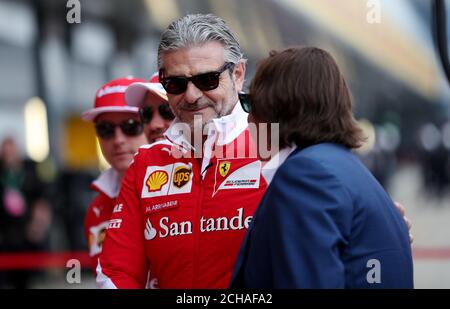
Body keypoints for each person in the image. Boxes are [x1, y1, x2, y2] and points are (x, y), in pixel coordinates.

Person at [97, 14, 412, 289]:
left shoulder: (280, 145)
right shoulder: (147, 163)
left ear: (237, 74)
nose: (191, 95)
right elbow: (117, 270)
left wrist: (374, 229)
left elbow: (345, 216)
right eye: (175, 84)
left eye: (207, 79)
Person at [230, 46, 414, 288]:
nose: (248, 119)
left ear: (275, 105)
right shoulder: (347, 169)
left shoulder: (304, 176)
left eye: (249, 102)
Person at [82, 76, 169, 271]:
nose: (118, 140)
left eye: (131, 125)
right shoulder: (96, 209)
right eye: (106, 130)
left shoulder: (183, 187)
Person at [0, 136, 52, 288]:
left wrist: (38, 225)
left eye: (11, 151)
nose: (9, 156)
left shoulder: (30, 172)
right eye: (5, 152)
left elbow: (42, 201)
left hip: (27, 234)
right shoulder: (3, 175)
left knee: (27, 279)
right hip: (6, 236)